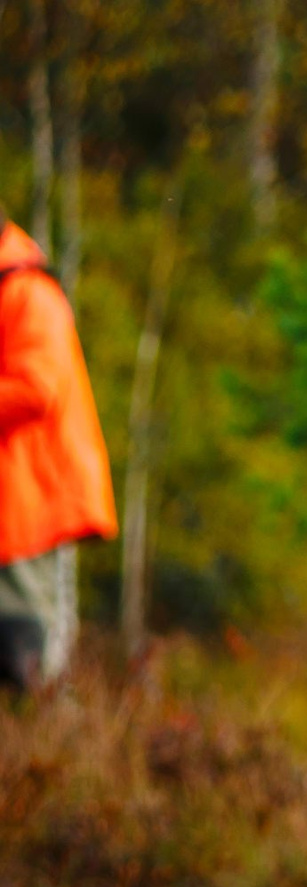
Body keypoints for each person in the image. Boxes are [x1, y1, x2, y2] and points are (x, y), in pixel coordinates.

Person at [0, 212, 117, 692]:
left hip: (31, 510)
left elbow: (36, 388)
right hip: (15, 507)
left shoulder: (29, 292)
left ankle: (47, 733)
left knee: (23, 653)